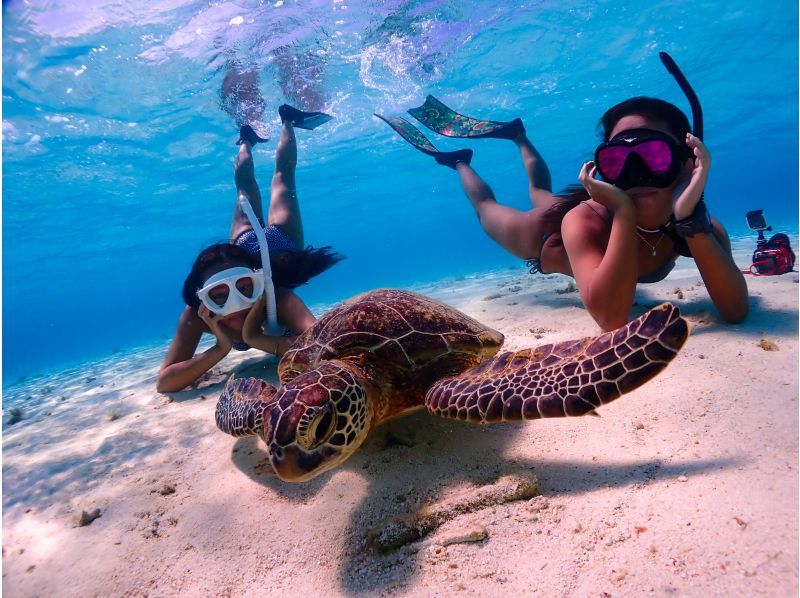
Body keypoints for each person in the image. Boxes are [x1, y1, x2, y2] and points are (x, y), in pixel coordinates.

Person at [380, 87, 748, 332]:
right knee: (486, 208)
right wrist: (622, 212)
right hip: (543, 236)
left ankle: (518, 135)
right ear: (605, 168)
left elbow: (736, 311)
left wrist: (690, 224)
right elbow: (611, 319)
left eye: (653, 156)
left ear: (689, 163)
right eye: (620, 160)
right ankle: (459, 161)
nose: (637, 175)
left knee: (542, 191)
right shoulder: (587, 218)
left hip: (581, 208)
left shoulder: (702, 229)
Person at [157, 69, 341, 393]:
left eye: (245, 287)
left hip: (269, 245)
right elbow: (165, 383)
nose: (236, 304)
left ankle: (253, 137)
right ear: (202, 299)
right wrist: (219, 349)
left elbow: (323, 348)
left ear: (260, 280)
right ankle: (279, 124)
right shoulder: (199, 314)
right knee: (279, 180)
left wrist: (257, 339)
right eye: (218, 296)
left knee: (260, 186)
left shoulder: (276, 295)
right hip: (261, 246)